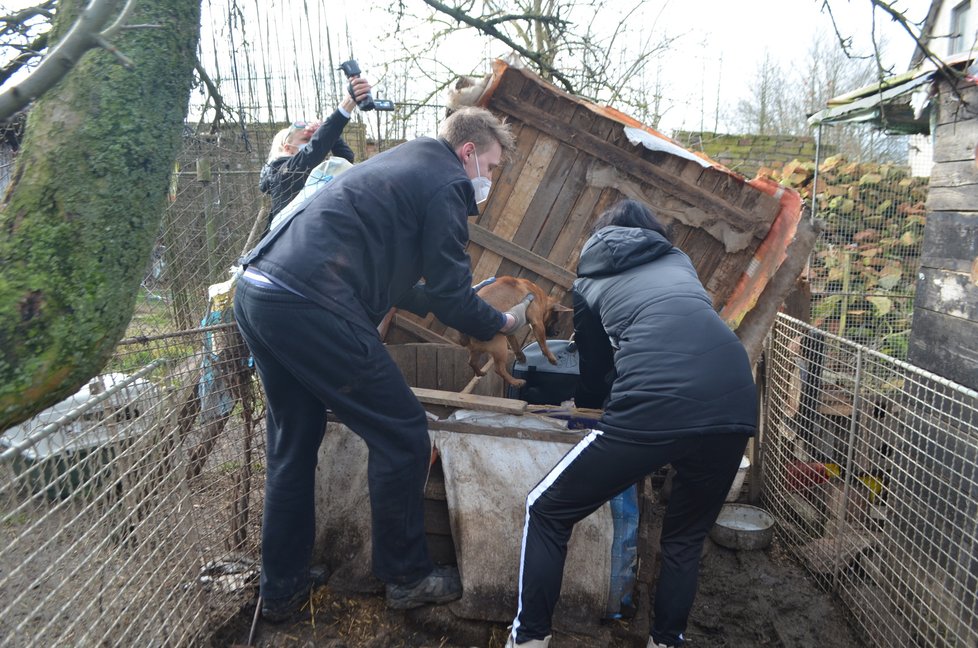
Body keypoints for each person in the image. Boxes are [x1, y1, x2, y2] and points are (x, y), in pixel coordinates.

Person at [234, 106, 531, 622]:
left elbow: (393, 273)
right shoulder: (446, 186)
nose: (491, 179)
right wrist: (502, 323)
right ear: (469, 153)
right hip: (310, 303)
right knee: (403, 434)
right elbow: (453, 298)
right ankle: (407, 576)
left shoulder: (408, 162)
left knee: (293, 442)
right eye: (493, 166)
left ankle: (281, 588)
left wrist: (454, 300)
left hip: (261, 291)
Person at [505, 199, 758, 648]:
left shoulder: (590, 276)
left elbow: (595, 363)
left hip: (655, 401)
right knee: (683, 539)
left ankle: (528, 640)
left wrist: (587, 413)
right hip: (734, 399)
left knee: (547, 510)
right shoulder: (678, 261)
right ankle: (666, 641)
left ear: (601, 237)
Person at [258, 76, 371, 229]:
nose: (310, 144)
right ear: (288, 148)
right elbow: (313, 151)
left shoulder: (314, 172)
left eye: (312, 140)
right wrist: (347, 104)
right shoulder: (282, 173)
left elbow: (345, 158)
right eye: (306, 140)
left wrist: (329, 134)